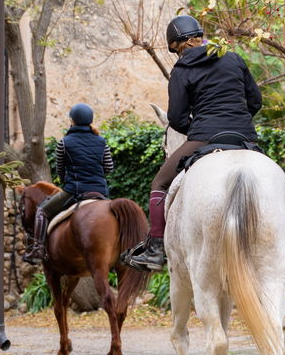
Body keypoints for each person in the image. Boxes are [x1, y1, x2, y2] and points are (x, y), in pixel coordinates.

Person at [125, 15, 262, 271]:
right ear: (199, 36)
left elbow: (176, 118)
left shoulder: (182, 69)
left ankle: (155, 249)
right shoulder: (233, 58)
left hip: (204, 136)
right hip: (244, 136)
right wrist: (237, 123)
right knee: (273, 178)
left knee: (159, 183)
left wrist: (200, 129)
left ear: (177, 45)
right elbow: (255, 101)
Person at [22, 103, 114, 264]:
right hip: (100, 191)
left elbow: (60, 170)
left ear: (72, 121)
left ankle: (37, 249)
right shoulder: (102, 142)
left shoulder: (64, 143)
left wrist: (66, 182)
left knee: (42, 211)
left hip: (74, 190)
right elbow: (109, 168)